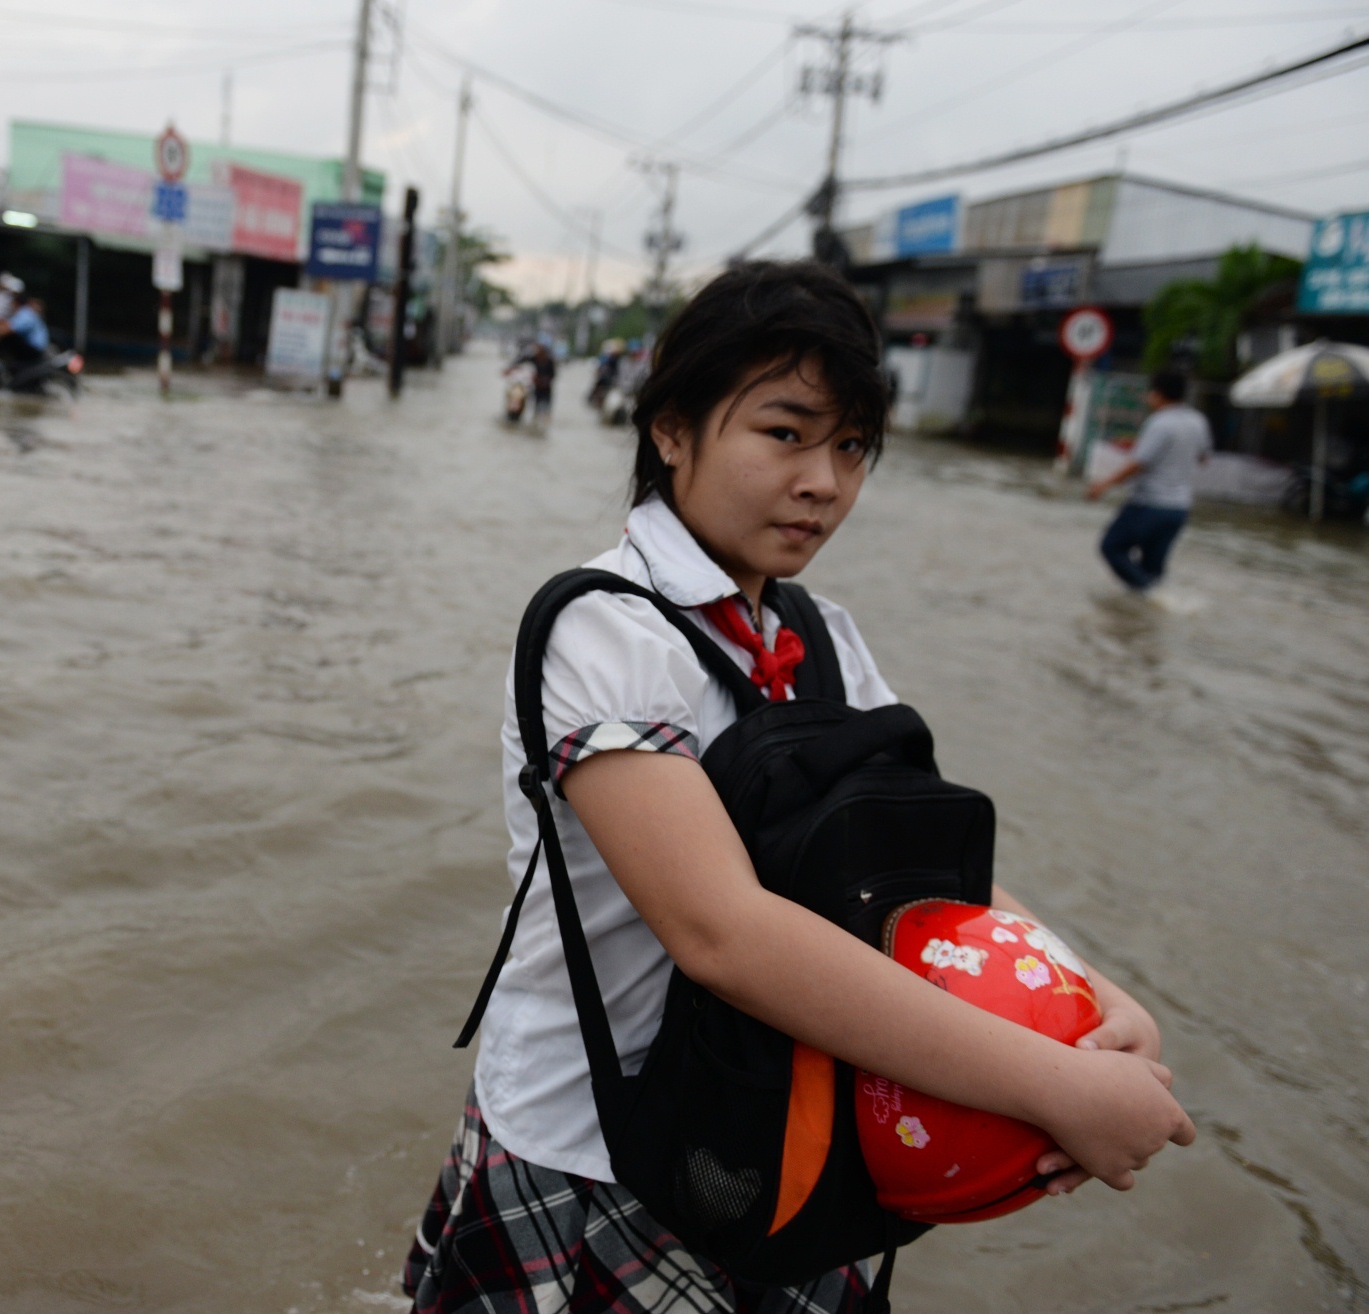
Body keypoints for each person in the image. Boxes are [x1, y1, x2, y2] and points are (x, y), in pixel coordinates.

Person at [403, 261, 1192, 1314]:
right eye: (785, 433)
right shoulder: (602, 631)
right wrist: (1052, 1083)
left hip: (784, 1134)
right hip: (591, 1144)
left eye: (852, 447)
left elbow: (923, 879)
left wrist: (1094, 1004)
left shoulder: (822, 636)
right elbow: (722, 933)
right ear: (671, 429)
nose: (825, 481)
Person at [1086, 370, 1212, 591]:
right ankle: (1151, 602)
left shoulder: (1159, 422)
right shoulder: (1198, 421)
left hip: (1149, 504)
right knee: (1153, 568)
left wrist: (1104, 485)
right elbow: (1202, 457)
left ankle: (1151, 597)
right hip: (1178, 509)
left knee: (1112, 547)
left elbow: (1138, 464)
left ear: (1158, 394)